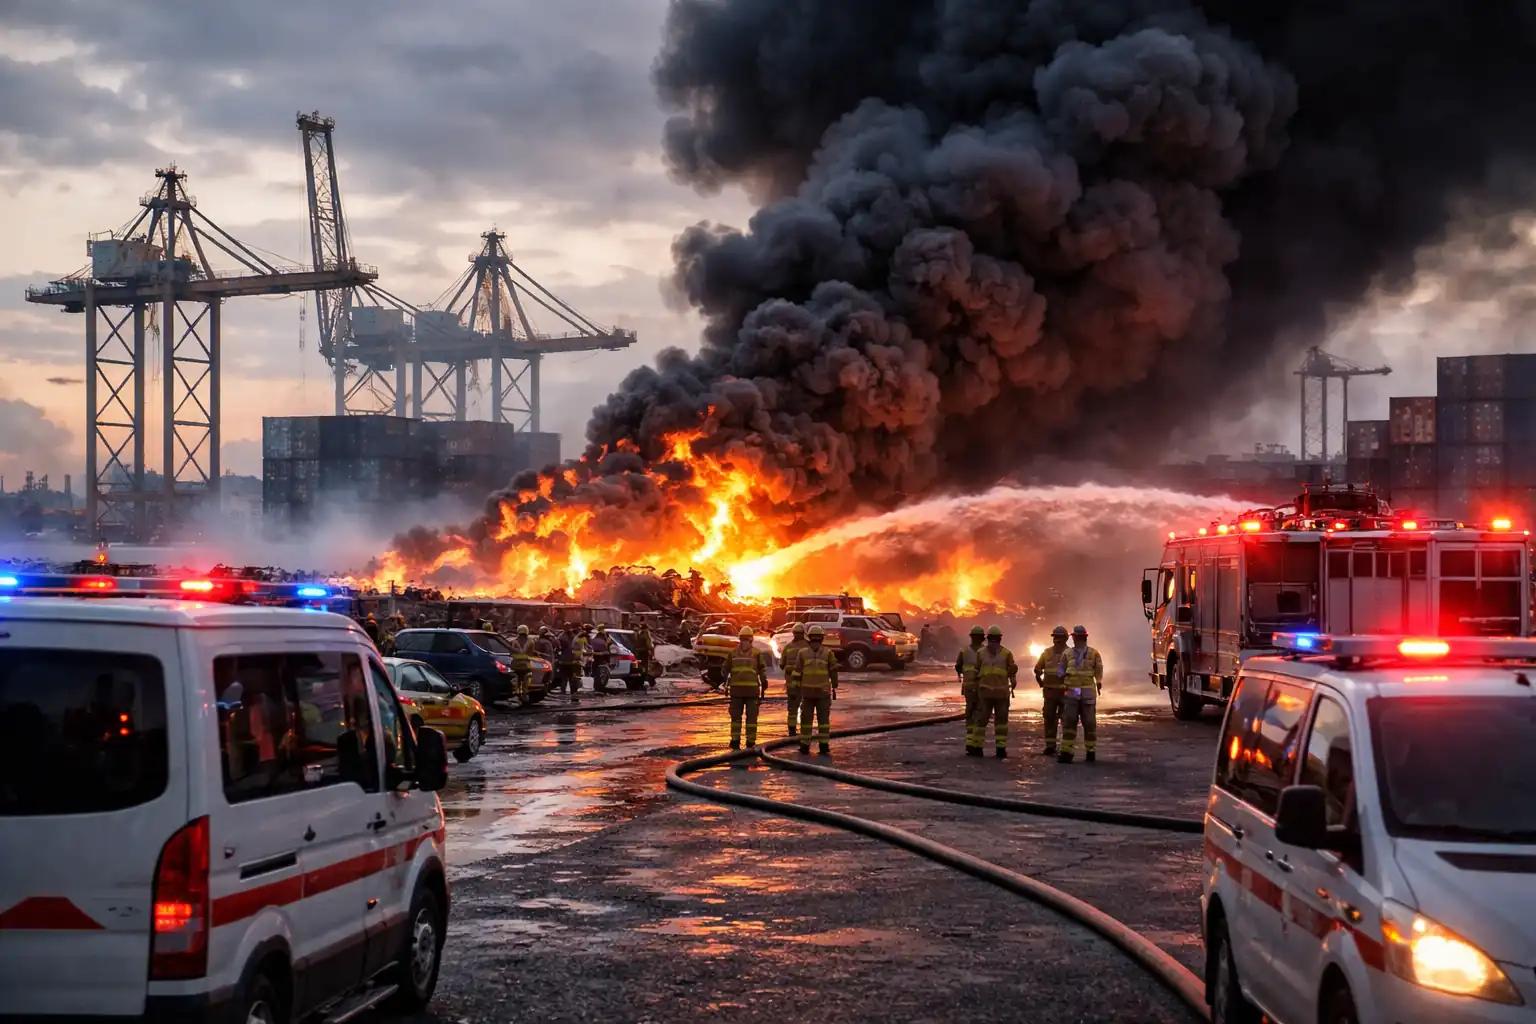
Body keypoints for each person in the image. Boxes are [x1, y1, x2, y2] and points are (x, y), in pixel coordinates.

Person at [1058, 625, 1104, 764]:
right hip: (1072, 693)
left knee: (1089, 724)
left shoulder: (1094, 653)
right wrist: (1062, 680)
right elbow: (1060, 670)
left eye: (1077, 637)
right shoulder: (1067, 654)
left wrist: (1099, 681)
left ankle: (1090, 752)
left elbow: (1099, 670)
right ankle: (1066, 753)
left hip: (1087, 694)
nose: (1076, 639)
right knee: (1069, 722)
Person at [793, 624, 839, 755]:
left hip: (808, 693)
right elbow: (833, 671)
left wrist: (796, 690)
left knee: (806, 721)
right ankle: (823, 746)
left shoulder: (802, 653)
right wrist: (835, 685)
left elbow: (797, 673)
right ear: (822, 638)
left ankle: (805, 746)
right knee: (823, 721)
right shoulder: (828, 653)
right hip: (822, 693)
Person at [973, 626, 1018, 759]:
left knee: (1001, 722)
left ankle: (1000, 748)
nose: (993, 642)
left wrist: (1013, 680)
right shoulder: (980, 653)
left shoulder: (1007, 654)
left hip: (1001, 694)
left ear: (999, 639)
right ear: (988, 639)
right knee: (981, 720)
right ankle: (977, 747)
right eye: (991, 639)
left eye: (996, 639)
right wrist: (974, 688)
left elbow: (1011, 671)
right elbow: (975, 671)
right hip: (985, 694)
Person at [726, 626, 771, 750]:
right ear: (751, 639)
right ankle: (750, 742)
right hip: (752, 691)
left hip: (736, 691)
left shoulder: (733, 652)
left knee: (736, 717)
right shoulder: (756, 653)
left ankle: (735, 741)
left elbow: (725, 670)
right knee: (751, 718)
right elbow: (762, 669)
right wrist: (764, 681)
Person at [1034, 626, 1071, 757]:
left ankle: (1066, 748)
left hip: (1065, 693)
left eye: (1060, 637)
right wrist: (1039, 679)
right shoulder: (1046, 653)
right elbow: (1038, 668)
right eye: (1055, 637)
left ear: (1066, 638)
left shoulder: (1070, 653)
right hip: (1049, 693)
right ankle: (1050, 746)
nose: (1057, 640)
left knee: (1066, 719)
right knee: (1049, 718)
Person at [956, 625, 986, 755]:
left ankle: (971, 744)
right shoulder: (987, 652)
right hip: (981, 688)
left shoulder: (964, 651)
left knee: (971, 714)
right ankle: (976, 745)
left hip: (971, 687)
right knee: (979, 715)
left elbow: (958, 667)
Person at [779, 623, 810, 736]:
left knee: (792, 707)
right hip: (806, 683)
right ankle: (805, 730)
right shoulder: (808, 647)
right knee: (806, 706)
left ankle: (792, 730)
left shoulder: (788, 647)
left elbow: (781, 665)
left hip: (791, 683)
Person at [509, 625, 537, 699]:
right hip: (526, 665)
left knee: (517, 681)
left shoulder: (514, 641)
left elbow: (511, 653)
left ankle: (517, 694)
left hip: (516, 665)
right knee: (526, 680)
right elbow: (531, 653)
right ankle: (525, 694)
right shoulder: (531, 642)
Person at [557, 625, 581, 697]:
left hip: (565, 661)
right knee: (571, 678)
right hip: (571, 661)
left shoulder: (561, 637)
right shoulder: (573, 636)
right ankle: (572, 692)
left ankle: (564, 692)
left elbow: (558, 648)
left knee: (565, 678)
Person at [590, 626, 613, 693]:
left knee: (596, 672)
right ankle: (599, 687)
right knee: (600, 673)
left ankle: (597, 687)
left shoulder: (595, 639)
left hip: (596, 658)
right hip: (601, 659)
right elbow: (606, 649)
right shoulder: (603, 640)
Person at [633, 623, 656, 688]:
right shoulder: (646, 633)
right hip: (644, 653)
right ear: (646, 628)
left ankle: (638, 682)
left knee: (638, 667)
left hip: (637, 653)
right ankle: (644, 681)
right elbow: (649, 645)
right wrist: (652, 653)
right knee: (645, 668)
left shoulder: (637, 633)